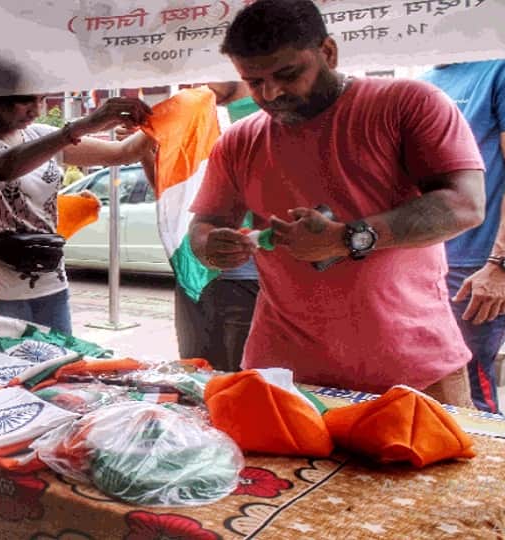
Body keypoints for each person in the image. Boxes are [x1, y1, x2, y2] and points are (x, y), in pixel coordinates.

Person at [188, 0, 485, 404]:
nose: (271, 93)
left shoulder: (407, 103)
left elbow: (464, 205)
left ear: (328, 52)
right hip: (284, 373)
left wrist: (348, 238)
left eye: (287, 74)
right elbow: (204, 225)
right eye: (254, 82)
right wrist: (211, 245)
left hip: (413, 370)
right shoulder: (240, 140)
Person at [0, 93, 156, 334]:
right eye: (25, 100)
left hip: (49, 278)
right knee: (3, 366)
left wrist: (156, 121)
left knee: (59, 364)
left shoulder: (39, 135)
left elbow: (122, 153)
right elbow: (0, 167)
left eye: (40, 100)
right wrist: (79, 128)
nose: (35, 110)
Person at [421, 59, 505, 413]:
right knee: (433, 388)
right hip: (425, 263)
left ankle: (499, 467)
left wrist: (503, 264)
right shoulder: (425, 78)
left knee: (469, 387)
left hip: (477, 264)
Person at [174, 81, 261, 371]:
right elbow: (183, 202)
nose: (198, 81)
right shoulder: (192, 111)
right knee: (209, 372)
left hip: (247, 276)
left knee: (230, 375)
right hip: (209, 273)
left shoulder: (258, 117)